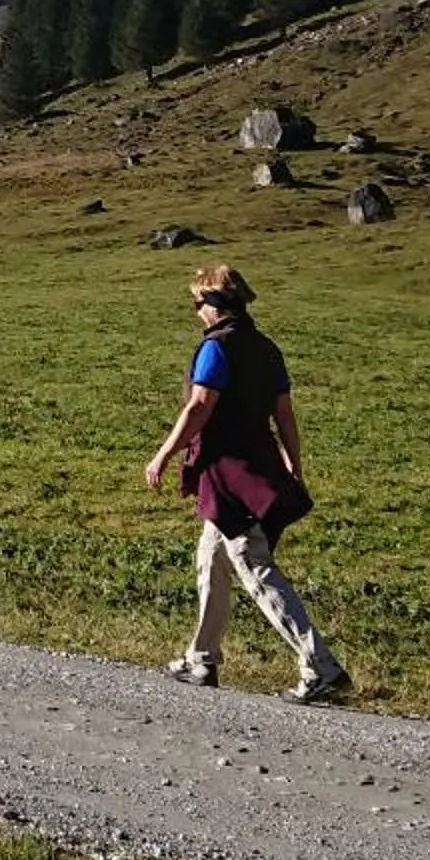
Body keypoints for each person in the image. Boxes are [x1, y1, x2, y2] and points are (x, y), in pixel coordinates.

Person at [142, 263, 350, 704]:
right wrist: (295, 466)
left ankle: (320, 666)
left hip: (230, 473)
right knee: (210, 559)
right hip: (257, 467)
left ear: (215, 305)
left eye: (198, 303)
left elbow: (199, 407)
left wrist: (163, 454)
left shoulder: (217, 348)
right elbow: (285, 416)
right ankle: (201, 658)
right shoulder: (266, 348)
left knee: (251, 561)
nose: (196, 311)